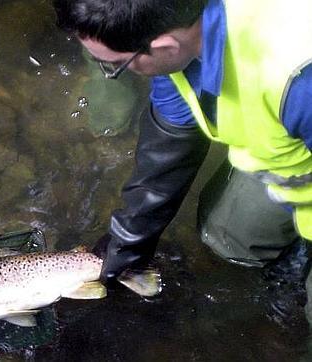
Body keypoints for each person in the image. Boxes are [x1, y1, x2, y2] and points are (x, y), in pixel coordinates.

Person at [53, 0, 312, 322]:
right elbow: (173, 137)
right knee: (228, 240)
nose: (110, 73)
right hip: (289, 151)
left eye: (116, 66)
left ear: (165, 46)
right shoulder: (180, 35)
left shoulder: (299, 81)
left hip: (300, 137)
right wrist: (130, 237)